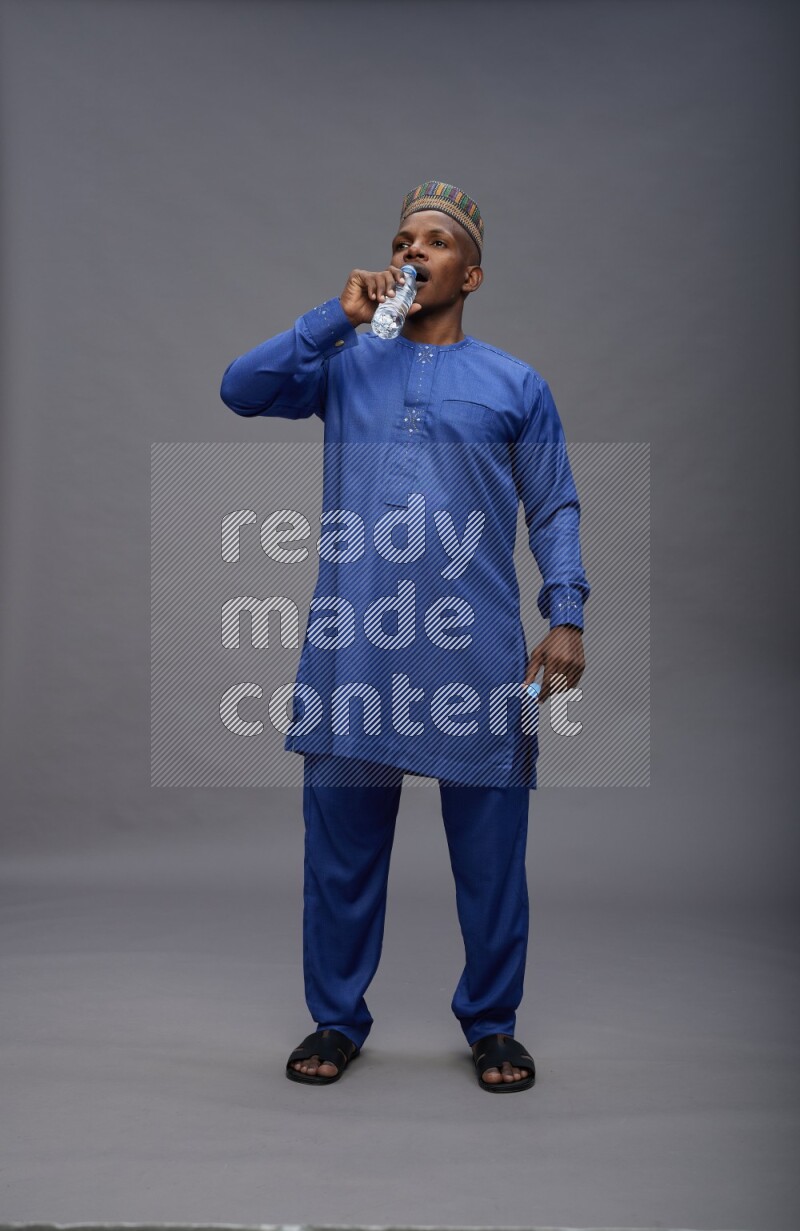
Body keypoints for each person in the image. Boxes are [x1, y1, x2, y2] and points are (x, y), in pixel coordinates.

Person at [220, 181, 590, 1091]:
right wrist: (329, 319)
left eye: (434, 239)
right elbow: (240, 389)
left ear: (471, 271)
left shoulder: (514, 383)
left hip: (475, 648)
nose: (412, 250)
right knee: (340, 852)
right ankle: (336, 1019)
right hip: (357, 646)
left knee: (493, 855)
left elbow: (554, 504)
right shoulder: (346, 363)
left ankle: (493, 1023)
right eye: (401, 238)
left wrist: (568, 613)